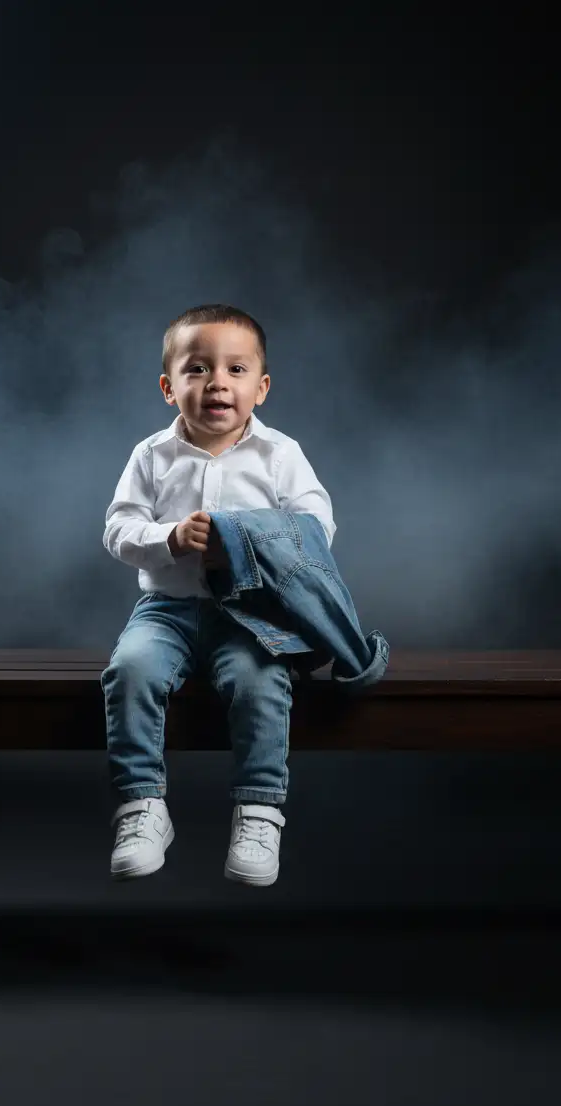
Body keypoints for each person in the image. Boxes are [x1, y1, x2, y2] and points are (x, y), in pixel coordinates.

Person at [100, 304, 336, 887]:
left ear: (261, 388)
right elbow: (118, 530)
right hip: (167, 610)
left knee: (262, 681)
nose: (217, 384)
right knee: (129, 671)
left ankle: (259, 810)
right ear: (168, 386)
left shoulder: (280, 455)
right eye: (198, 369)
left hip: (251, 615)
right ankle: (141, 807)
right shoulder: (151, 456)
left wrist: (248, 543)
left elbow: (317, 527)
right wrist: (171, 537)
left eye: (235, 370)